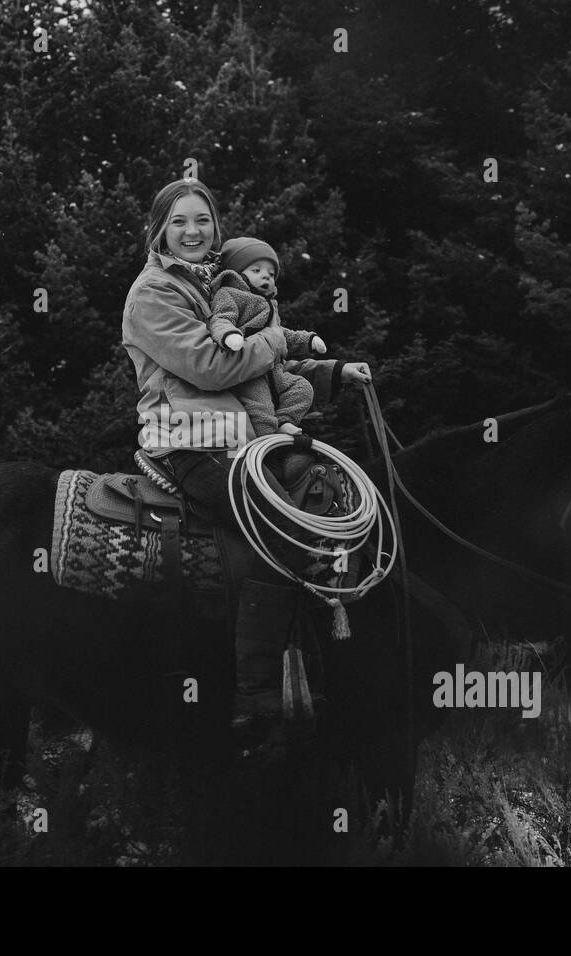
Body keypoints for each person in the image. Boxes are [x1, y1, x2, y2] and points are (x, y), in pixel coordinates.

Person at [121, 178, 372, 740]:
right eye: (180, 221)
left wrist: (331, 374)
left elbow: (258, 370)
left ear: (216, 227)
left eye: (203, 220)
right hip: (190, 438)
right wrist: (282, 339)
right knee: (281, 531)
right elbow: (213, 367)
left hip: (239, 438)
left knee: (321, 500)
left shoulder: (213, 285)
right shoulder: (153, 294)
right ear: (160, 229)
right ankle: (256, 696)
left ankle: (311, 672)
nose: (193, 232)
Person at [206, 236, 326, 438]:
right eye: (256, 271)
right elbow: (220, 319)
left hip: (275, 370)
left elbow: (280, 335)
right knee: (260, 409)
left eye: (271, 274)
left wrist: (308, 340)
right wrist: (228, 335)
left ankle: (285, 421)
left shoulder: (269, 304)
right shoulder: (229, 294)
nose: (266, 277)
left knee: (303, 389)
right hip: (250, 371)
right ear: (236, 272)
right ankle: (266, 445)